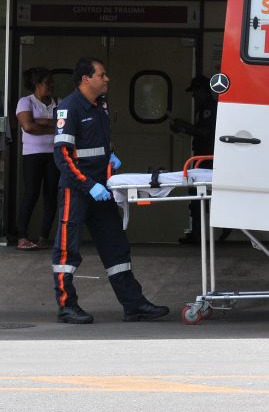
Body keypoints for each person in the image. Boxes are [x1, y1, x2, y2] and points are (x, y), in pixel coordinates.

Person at [52, 57, 169, 324]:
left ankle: (134, 304)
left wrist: (111, 158)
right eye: (102, 75)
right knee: (67, 251)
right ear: (86, 79)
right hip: (78, 191)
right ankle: (66, 306)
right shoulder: (69, 109)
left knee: (116, 248)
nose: (107, 79)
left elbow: (101, 144)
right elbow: (62, 156)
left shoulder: (100, 105)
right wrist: (88, 184)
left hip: (102, 190)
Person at [170, 75, 224, 244]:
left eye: (195, 91)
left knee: (203, 194)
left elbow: (206, 133)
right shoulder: (202, 108)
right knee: (195, 194)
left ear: (202, 90)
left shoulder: (210, 108)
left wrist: (185, 126)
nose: (193, 95)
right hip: (201, 156)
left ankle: (213, 233)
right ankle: (196, 233)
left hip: (208, 158)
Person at [15, 67, 59, 251]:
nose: (51, 86)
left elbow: (65, 123)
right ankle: (22, 237)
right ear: (37, 84)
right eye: (47, 83)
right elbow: (28, 126)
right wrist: (53, 126)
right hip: (32, 155)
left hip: (54, 154)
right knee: (31, 194)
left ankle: (44, 238)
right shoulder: (25, 102)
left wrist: (39, 120)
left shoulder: (59, 102)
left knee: (51, 195)